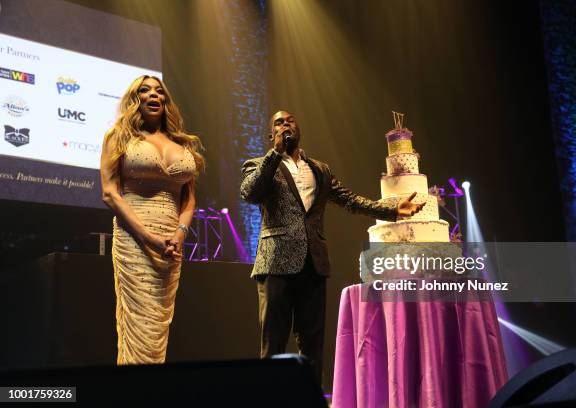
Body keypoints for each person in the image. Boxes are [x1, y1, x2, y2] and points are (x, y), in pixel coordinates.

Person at [240, 110, 424, 384]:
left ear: (298, 127)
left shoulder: (319, 169)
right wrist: (274, 154)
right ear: (271, 134)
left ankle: (309, 399)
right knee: (274, 345)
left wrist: (392, 210)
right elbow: (250, 192)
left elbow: (349, 199)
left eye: (290, 120)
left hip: (313, 264)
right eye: (278, 122)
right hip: (276, 262)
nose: (285, 124)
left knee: (313, 346)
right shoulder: (259, 163)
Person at [100, 75, 204, 364]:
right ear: (136, 100)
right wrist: (148, 238)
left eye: (160, 91)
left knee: (158, 323)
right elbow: (109, 193)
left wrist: (180, 234)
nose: (154, 95)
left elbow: (189, 199)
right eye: (145, 90)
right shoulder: (118, 137)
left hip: (171, 244)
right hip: (135, 239)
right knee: (138, 324)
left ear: (166, 101)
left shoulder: (183, 144)